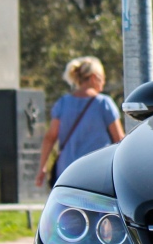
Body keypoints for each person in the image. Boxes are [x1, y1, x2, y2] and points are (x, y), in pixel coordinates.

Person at [36, 56, 126, 187]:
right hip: (97, 172)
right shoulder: (104, 104)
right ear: (94, 77)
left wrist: (42, 168)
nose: (104, 82)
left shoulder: (63, 103)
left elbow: (50, 137)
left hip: (67, 171)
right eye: (103, 78)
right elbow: (120, 139)